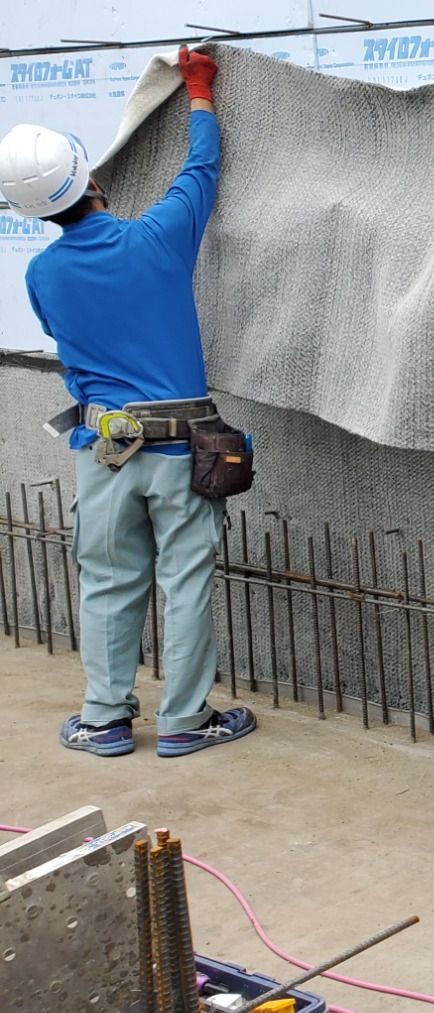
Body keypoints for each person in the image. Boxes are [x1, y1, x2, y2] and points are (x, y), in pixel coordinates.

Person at [3, 47, 256, 758]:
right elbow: (200, 170)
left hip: (105, 454)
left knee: (110, 587)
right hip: (183, 454)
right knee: (186, 584)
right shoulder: (157, 238)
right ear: (89, 176)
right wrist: (199, 90)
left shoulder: (43, 275)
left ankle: (105, 718)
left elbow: (62, 338)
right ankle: (183, 721)